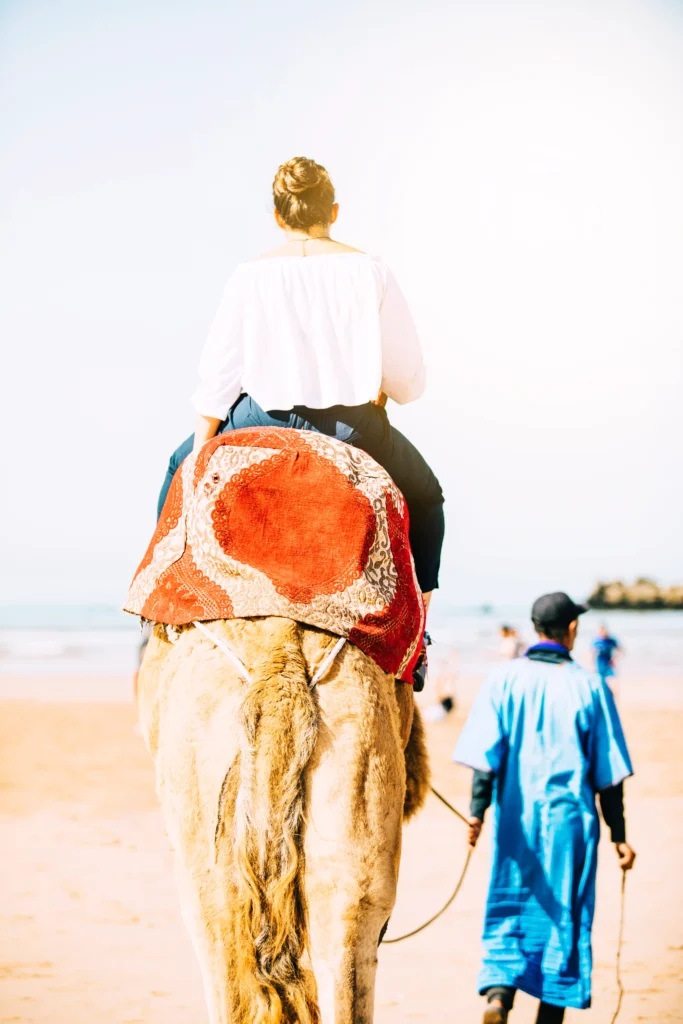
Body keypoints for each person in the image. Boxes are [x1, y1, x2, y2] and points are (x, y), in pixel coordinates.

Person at [158, 157, 444, 685]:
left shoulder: (249, 276)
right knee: (427, 497)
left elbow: (217, 375)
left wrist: (202, 452)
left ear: (277, 217)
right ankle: (418, 631)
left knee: (177, 464)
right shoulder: (371, 270)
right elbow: (409, 382)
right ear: (333, 211)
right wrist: (382, 384)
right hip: (354, 427)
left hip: (257, 419)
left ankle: (165, 604)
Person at [453, 592, 636, 1024]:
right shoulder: (590, 685)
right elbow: (607, 776)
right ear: (571, 629)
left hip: (515, 820)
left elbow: (486, 759)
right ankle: (548, 1016)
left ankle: (498, 997)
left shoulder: (503, 679)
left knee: (510, 903)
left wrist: (477, 812)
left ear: (536, 628)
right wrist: (621, 836)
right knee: (563, 917)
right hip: (570, 826)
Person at [593, 624, 621, 689]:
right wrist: (592, 666)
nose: (603, 632)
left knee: (612, 682)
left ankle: (613, 697)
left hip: (609, 665)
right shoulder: (597, 641)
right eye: (601, 631)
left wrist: (614, 659)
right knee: (600, 683)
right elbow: (592, 654)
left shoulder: (611, 641)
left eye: (604, 630)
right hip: (599, 665)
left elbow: (621, 651)